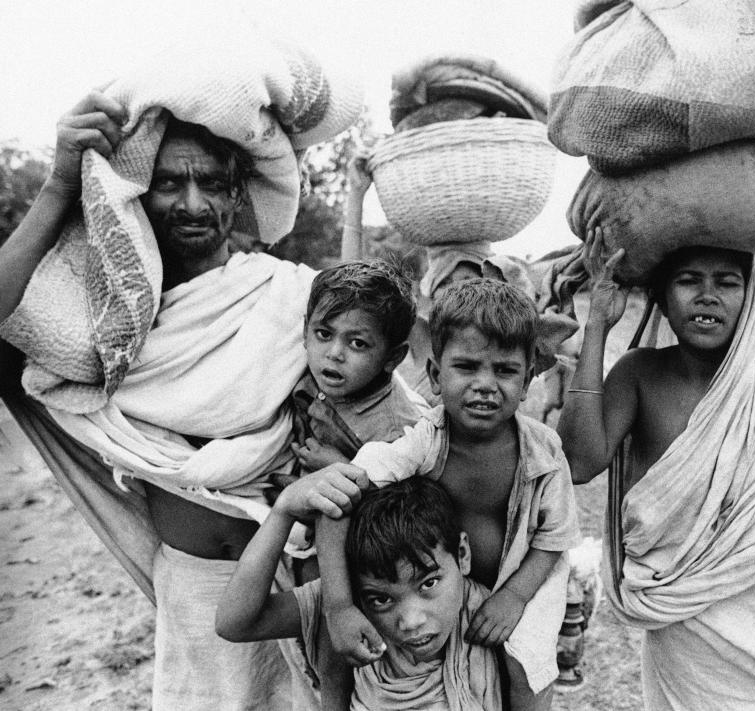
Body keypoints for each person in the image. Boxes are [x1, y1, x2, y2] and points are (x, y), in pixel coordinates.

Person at [0, 82, 358, 708]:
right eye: (169, 183)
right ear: (139, 193)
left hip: (300, 586)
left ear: (237, 193)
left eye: (212, 183)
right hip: (192, 592)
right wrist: (60, 184)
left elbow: (382, 406)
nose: (193, 203)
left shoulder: (288, 299)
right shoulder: (107, 327)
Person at [557, 227, 755, 710]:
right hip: (686, 629)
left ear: (752, 294)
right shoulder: (640, 374)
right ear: (662, 296)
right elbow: (578, 462)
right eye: (688, 280)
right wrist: (597, 330)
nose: (708, 296)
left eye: (728, 282)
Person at [305, 278, 581, 710]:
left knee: (525, 662)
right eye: (467, 367)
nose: (486, 384)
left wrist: (512, 598)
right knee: (336, 633)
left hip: (525, 577)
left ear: (528, 380)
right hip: (439, 582)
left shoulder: (544, 452)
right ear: (435, 375)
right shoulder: (423, 441)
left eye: (505, 370)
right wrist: (339, 605)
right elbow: (337, 502)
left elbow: (554, 538)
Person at [216, 476, 502, 710]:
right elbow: (236, 622)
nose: (411, 621)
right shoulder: (350, 607)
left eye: (428, 584)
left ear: (462, 555)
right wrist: (284, 511)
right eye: (382, 599)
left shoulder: (490, 613)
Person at [284, 259, 427, 475]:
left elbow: (398, 501)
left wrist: (342, 468)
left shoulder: (395, 434)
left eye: (358, 343)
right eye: (324, 334)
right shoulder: (298, 369)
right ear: (306, 332)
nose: (334, 354)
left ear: (393, 358)